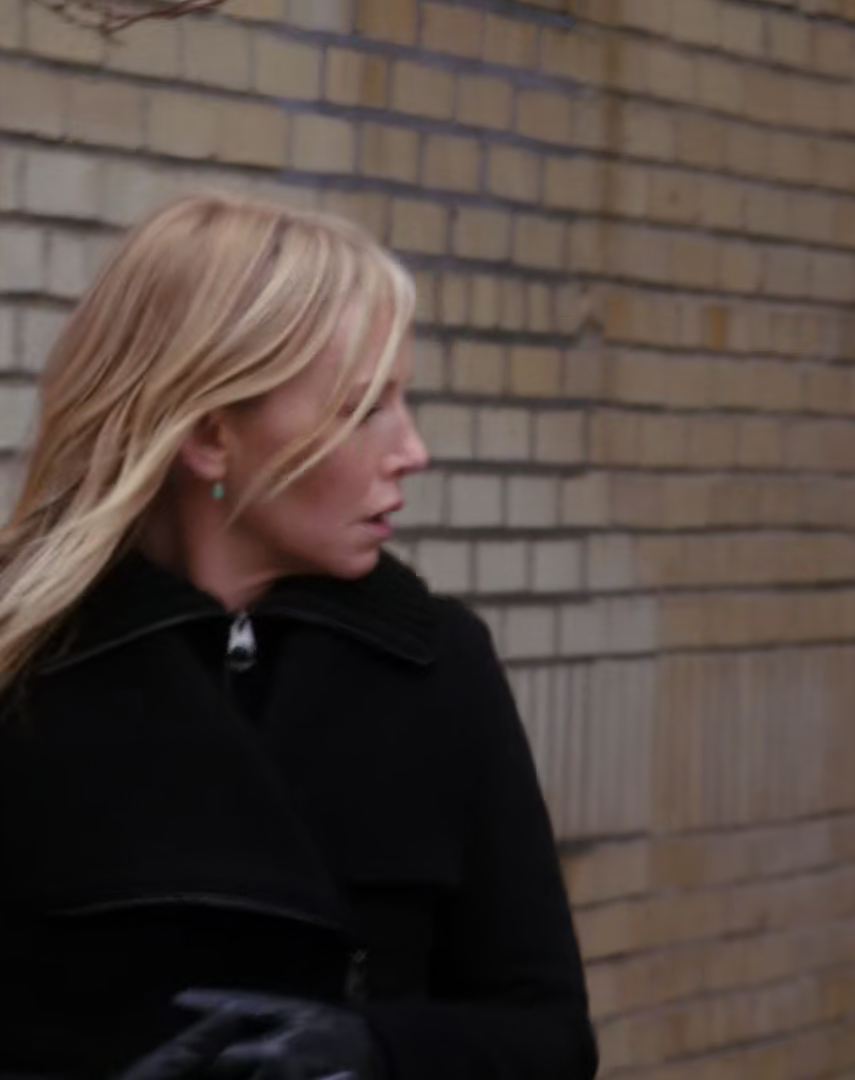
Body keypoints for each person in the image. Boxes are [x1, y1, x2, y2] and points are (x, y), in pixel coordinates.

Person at [0, 193, 598, 1079]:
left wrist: (377, 1051)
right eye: (363, 408)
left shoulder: (437, 665)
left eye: (404, 400)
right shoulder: (26, 669)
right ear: (212, 435)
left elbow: (551, 1036)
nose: (413, 450)